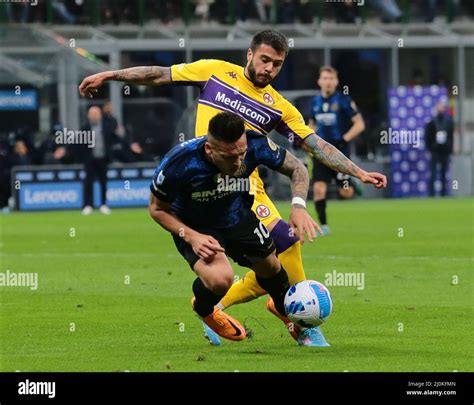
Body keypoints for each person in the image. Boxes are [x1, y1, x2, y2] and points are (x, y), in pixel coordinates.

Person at [79, 29, 387, 346]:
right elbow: (160, 75)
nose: (269, 68)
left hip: (246, 189)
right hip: (202, 183)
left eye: (277, 64)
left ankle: (280, 312)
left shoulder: (278, 106)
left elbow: (314, 145)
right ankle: (290, 318)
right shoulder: (215, 72)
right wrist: (110, 74)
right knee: (283, 245)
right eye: (265, 59)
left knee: (284, 246)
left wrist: (357, 171)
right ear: (250, 54)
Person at [149, 112, 319, 342]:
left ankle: (285, 312)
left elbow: (297, 168)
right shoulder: (179, 163)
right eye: (230, 157)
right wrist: (191, 237)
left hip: (235, 215)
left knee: (270, 266)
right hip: (195, 226)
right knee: (221, 279)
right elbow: (157, 209)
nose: (238, 163)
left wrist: (298, 206)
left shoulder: (256, 144)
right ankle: (205, 310)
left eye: (242, 154)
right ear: (210, 150)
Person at [308, 66, 366, 236]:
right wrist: (307, 138)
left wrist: (344, 139)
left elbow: (360, 124)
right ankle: (324, 226)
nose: (328, 82)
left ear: (336, 81)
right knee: (319, 189)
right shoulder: (315, 102)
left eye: (331, 79)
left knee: (346, 193)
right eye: (324, 78)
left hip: (339, 152)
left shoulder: (344, 100)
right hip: (319, 152)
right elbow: (312, 124)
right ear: (319, 81)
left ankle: (351, 181)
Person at [425, 101, 454, 197]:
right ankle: (432, 194)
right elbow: (427, 136)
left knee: (443, 173)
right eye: (439, 107)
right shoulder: (432, 122)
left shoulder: (448, 121)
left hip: (445, 151)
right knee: (433, 173)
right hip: (435, 150)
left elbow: (451, 136)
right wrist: (430, 147)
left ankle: (444, 194)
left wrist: (450, 149)